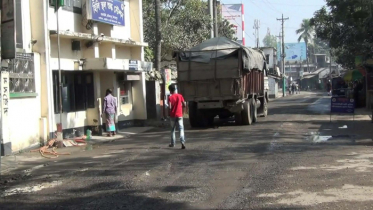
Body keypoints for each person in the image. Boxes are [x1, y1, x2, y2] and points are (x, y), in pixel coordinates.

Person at [168, 84, 186, 149]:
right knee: (181, 129)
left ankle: (172, 144)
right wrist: (182, 110)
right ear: (175, 89)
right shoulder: (180, 96)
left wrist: (168, 113)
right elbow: (184, 104)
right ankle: (182, 142)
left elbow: (169, 107)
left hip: (172, 115)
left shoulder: (170, 97)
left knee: (172, 130)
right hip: (179, 115)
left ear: (170, 90)